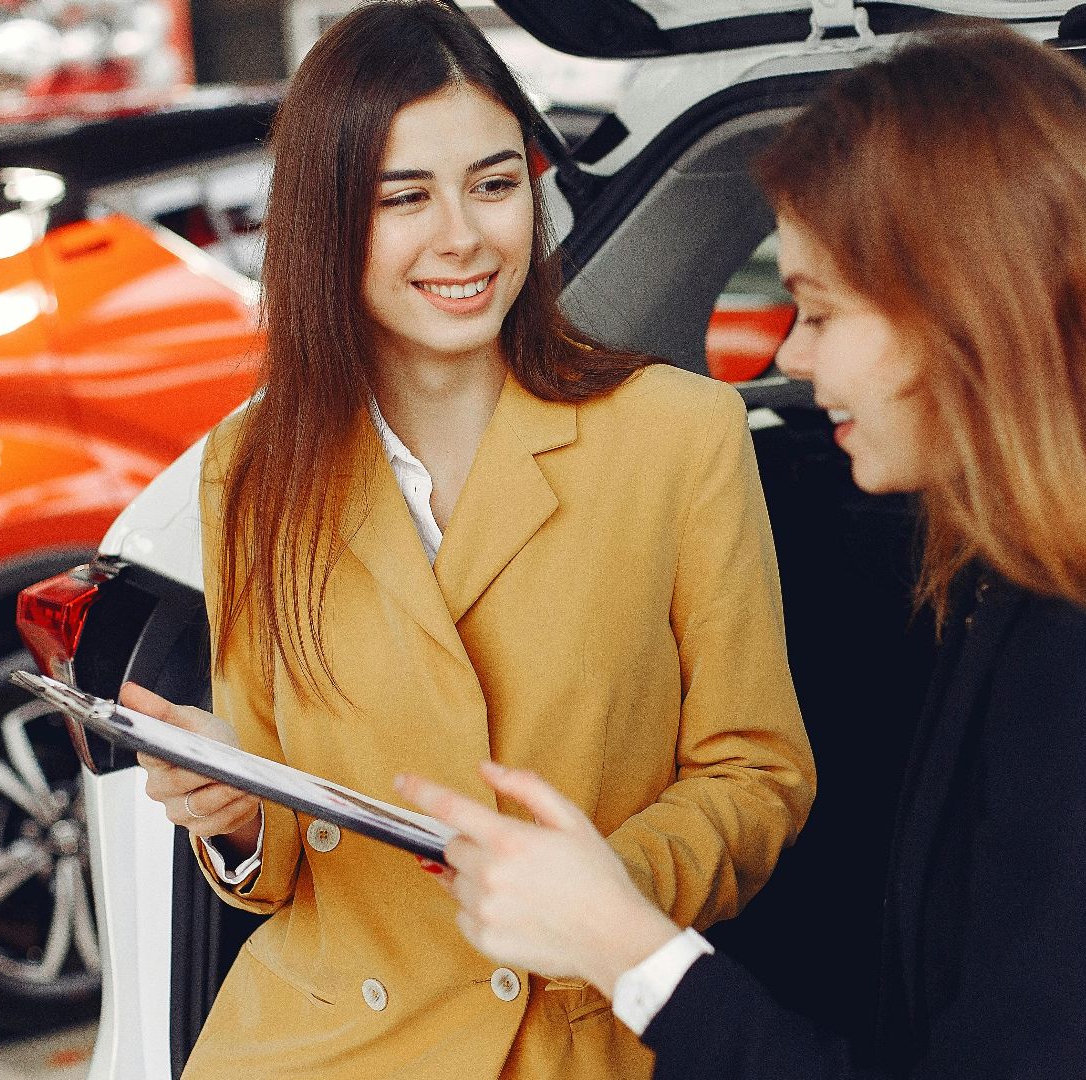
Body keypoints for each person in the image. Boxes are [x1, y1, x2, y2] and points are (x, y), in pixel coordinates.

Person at [398, 17, 1086, 1080]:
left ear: (967, 317)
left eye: (817, 310)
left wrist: (621, 946)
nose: (789, 355)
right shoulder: (1034, 578)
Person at [117, 3, 816, 1079]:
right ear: (325, 220)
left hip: (566, 1039)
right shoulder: (251, 468)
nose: (463, 237)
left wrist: (601, 894)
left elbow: (756, 773)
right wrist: (237, 817)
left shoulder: (679, 434)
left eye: (493, 185)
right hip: (310, 1044)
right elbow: (275, 849)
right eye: (405, 198)